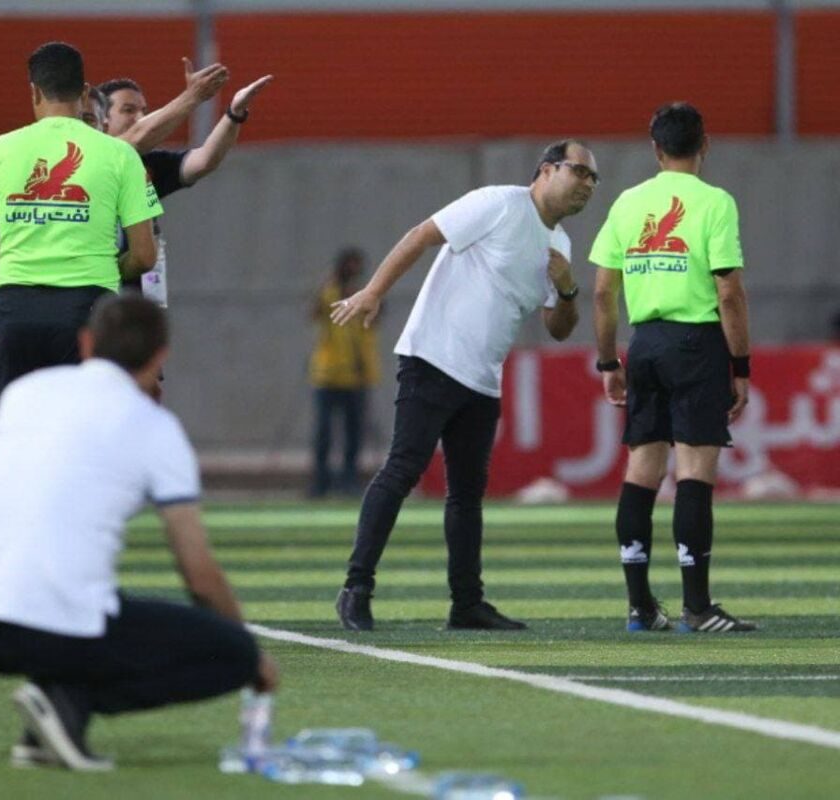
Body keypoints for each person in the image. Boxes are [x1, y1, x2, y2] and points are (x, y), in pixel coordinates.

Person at [0, 294, 279, 771]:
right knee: (232, 655)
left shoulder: (25, 393)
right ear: (160, 356)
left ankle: (48, 723)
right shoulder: (155, 427)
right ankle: (67, 701)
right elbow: (198, 574)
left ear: (86, 343)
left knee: (101, 600)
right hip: (53, 624)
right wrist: (252, 654)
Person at [332, 140, 598, 632]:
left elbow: (559, 328)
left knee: (468, 494)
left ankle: (466, 603)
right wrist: (373, 291)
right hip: (433, 357)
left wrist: (567, 289)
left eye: (592, 179)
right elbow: (420, 235)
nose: (587, 184)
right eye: (579, 171)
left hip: (483, 378)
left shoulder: (560, 246)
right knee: (402, 470)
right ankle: (356, 587)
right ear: (546, 170)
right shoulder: (498, 203)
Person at [589, 102, 756, 633]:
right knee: (695, 473)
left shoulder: (628, 202)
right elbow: (728, 292)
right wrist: (741, 365)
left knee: (642, 470)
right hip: (696, 344)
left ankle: (640, 607)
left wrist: (609, 360)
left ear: (655, 149)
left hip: (645, 344)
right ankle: (697, 607)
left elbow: (602, 291)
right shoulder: (715, 202)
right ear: (704, 144)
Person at [0, 42, 163, 424]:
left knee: (11, 429)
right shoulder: (121, 155)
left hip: (16, 314)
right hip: (87, 312)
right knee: (83, 428)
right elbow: (145, 256)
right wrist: (100, 263)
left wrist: (25, 251)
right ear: (85, 92)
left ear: (34, 91)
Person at [98, 68, 273, 302]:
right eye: (129, 110)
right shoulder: (92, 161)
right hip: (94, 298)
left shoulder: (145, 164)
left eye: (144, 111)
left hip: (138, 301)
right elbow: (137, 137)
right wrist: (193, 96)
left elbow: (205, 160)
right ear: (101, 119)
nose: (140, 118)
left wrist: (234, 113)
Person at [308, 247, 380, 497]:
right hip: (328, 375)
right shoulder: (329, 292)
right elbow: (314, 312)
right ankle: (320, 482)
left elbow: (376, 318)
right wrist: (330, 287)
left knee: (354, 433)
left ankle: (349, 480)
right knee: (324, 432)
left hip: (357, 376)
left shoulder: (365, 295)